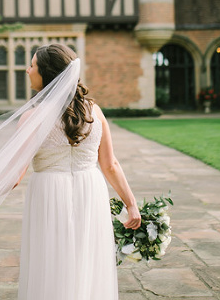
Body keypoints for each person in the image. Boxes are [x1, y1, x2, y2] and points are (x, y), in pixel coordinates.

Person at [17, 43, 142, 299]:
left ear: (48, 74)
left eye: (32, 65)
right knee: (87, 258)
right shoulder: (94, 112)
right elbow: (110, 165)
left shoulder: (32, 118)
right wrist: (131, 204)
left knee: (51, 259)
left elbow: (14, 175)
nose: (27, 70)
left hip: (49, 192)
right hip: (90, 189)